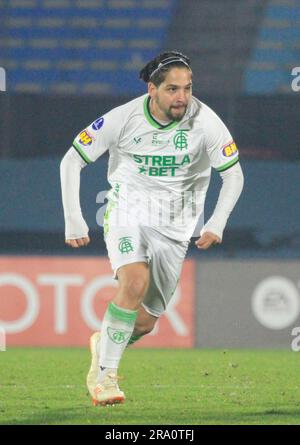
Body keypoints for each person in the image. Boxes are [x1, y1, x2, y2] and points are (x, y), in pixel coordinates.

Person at [60, 51, 244, 407]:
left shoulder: (206, 122)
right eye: (173, 89)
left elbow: (233, 173)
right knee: (134, 282)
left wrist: (216, 223)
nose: (182, 97)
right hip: (128, 211)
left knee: (144, 323)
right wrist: (74, 217)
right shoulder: (123, 118)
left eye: (187, 89)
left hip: (176, 228)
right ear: (152, 89)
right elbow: (72, 160)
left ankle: (105, 343)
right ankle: (105, 378)